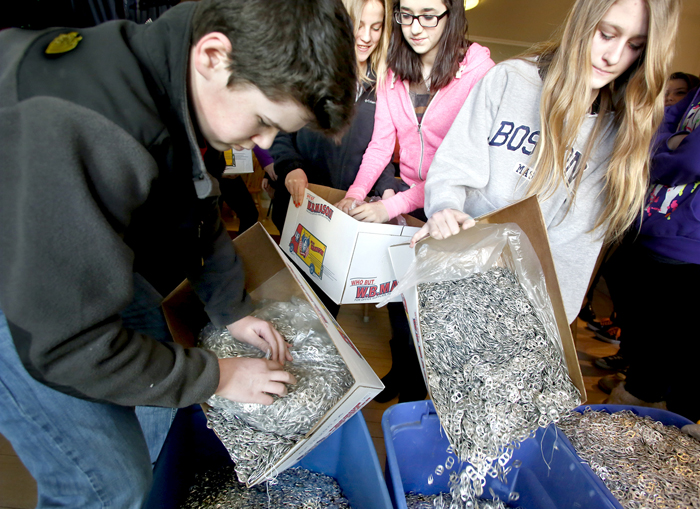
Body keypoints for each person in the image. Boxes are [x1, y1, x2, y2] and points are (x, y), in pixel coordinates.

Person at [0, 0, 356, 509]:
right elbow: (68, 346)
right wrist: (219, 375)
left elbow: (198, 205)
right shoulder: (86, 127)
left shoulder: (178, 81)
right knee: (104, 488)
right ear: (215, 56)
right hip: (21, 290)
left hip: (62, 253)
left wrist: (233, 310)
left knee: (153, 356)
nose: (262, 144)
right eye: (262, 122)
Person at [412, 0, 681, 327]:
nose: (613, 57)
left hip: (517, 307)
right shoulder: (510, 79)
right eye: (606, 34)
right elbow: (454, 167)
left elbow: (573, 251)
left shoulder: (615, 133)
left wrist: (547, 326)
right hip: (449, 267)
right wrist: (444, 206)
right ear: (582, 23)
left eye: (634, 46)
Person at [336, 0, 494, 223]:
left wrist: (390, 206)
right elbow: (380, 147)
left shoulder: (479, 74)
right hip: (407, 196)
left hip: (455, 206)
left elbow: (464, 168)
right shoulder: (391, 75)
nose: (415, 29)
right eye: (407, 16)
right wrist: (355, 193)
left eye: (428, 17)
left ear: (451, 16)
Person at [606, 84, 700, 422]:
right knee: (644, 310)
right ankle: (642, 387)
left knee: (673, 337)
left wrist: (671, 149)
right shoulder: (695, 94)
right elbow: (653, 133)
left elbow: (692, 159)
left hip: (688, 243)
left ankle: (648, 402)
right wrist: (669, 144)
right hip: (652, 226)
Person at [269, 0, 398, 236]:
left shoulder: (383, 84)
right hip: (300, 206)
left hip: (347, 211)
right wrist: (291, 168)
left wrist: (388, 188)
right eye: (358, 25)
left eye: (376, 27)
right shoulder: (307, 70)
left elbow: (380, 150)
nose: (366, 37)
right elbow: (280, 130)